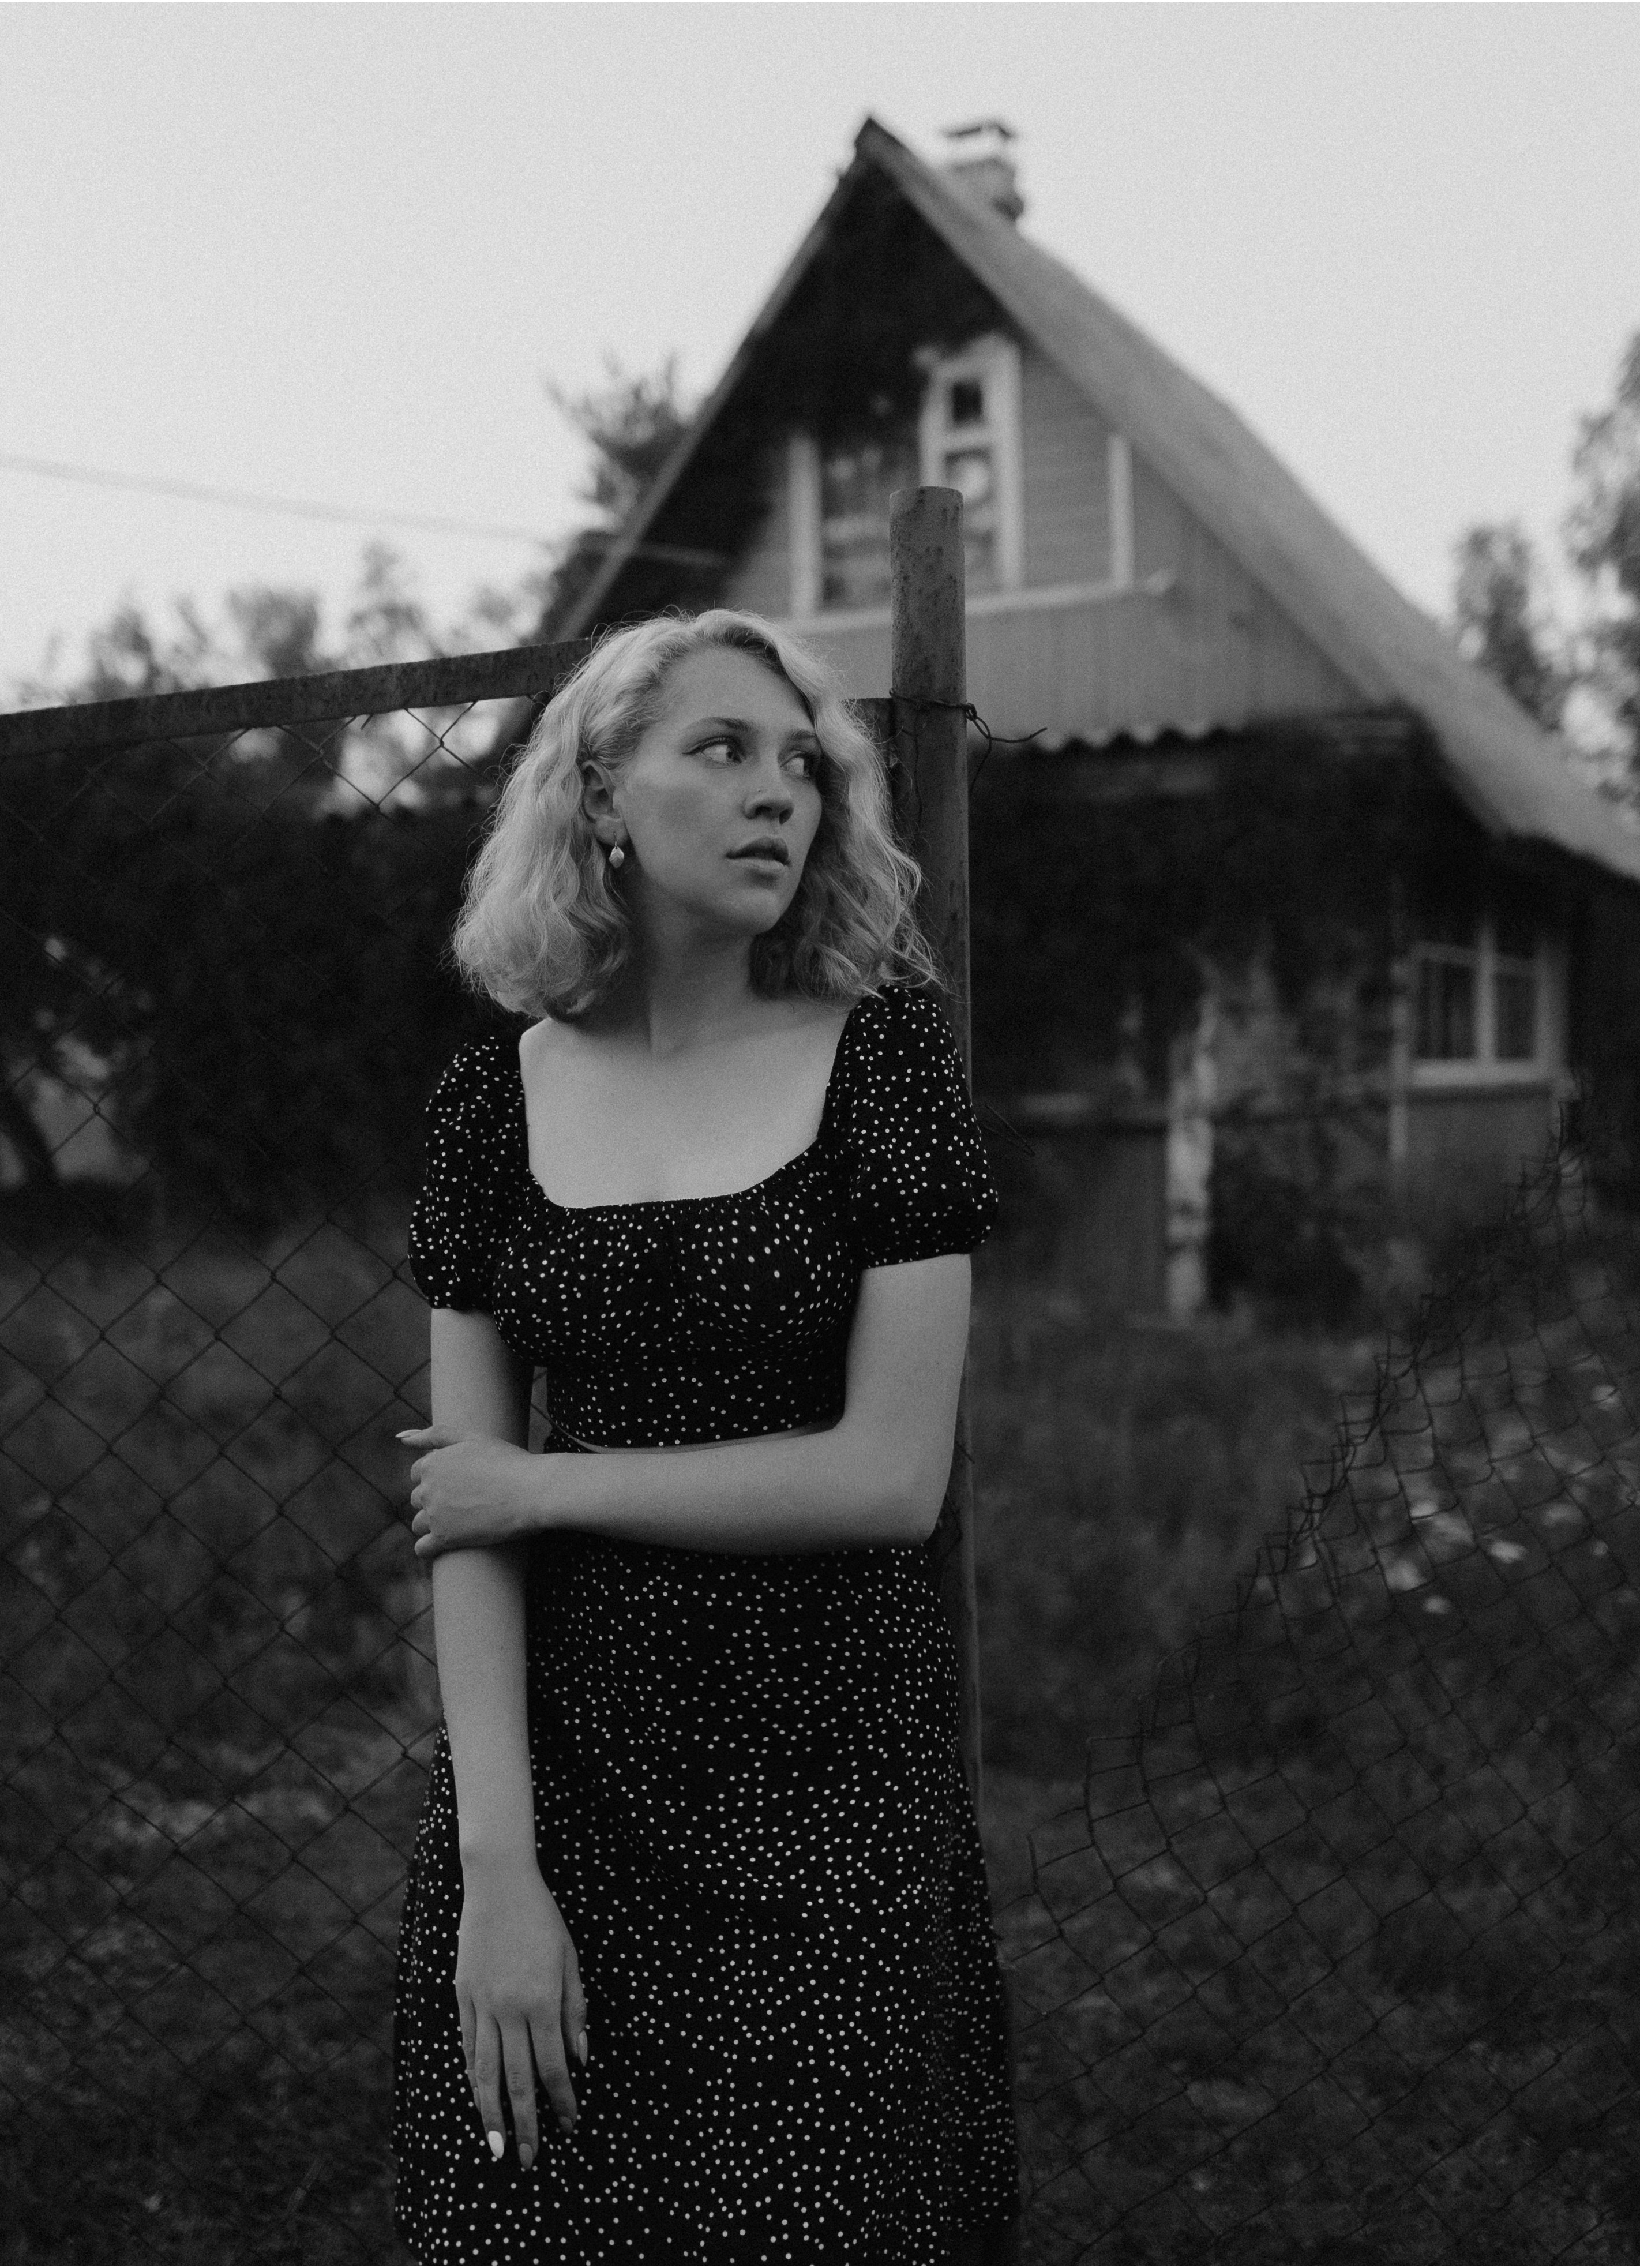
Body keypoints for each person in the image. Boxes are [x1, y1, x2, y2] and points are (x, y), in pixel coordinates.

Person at [390, 608, 1020, 2265]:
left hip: (828, 1801)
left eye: (802, 763)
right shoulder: (488, 1106)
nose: (779, 796)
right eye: (721, 750)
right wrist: (497, 1873)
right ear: (601, 794)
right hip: (566, 1789)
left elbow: (888, 1476)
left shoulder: (885, 1066)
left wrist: (550, 1482)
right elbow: (465, 1523)